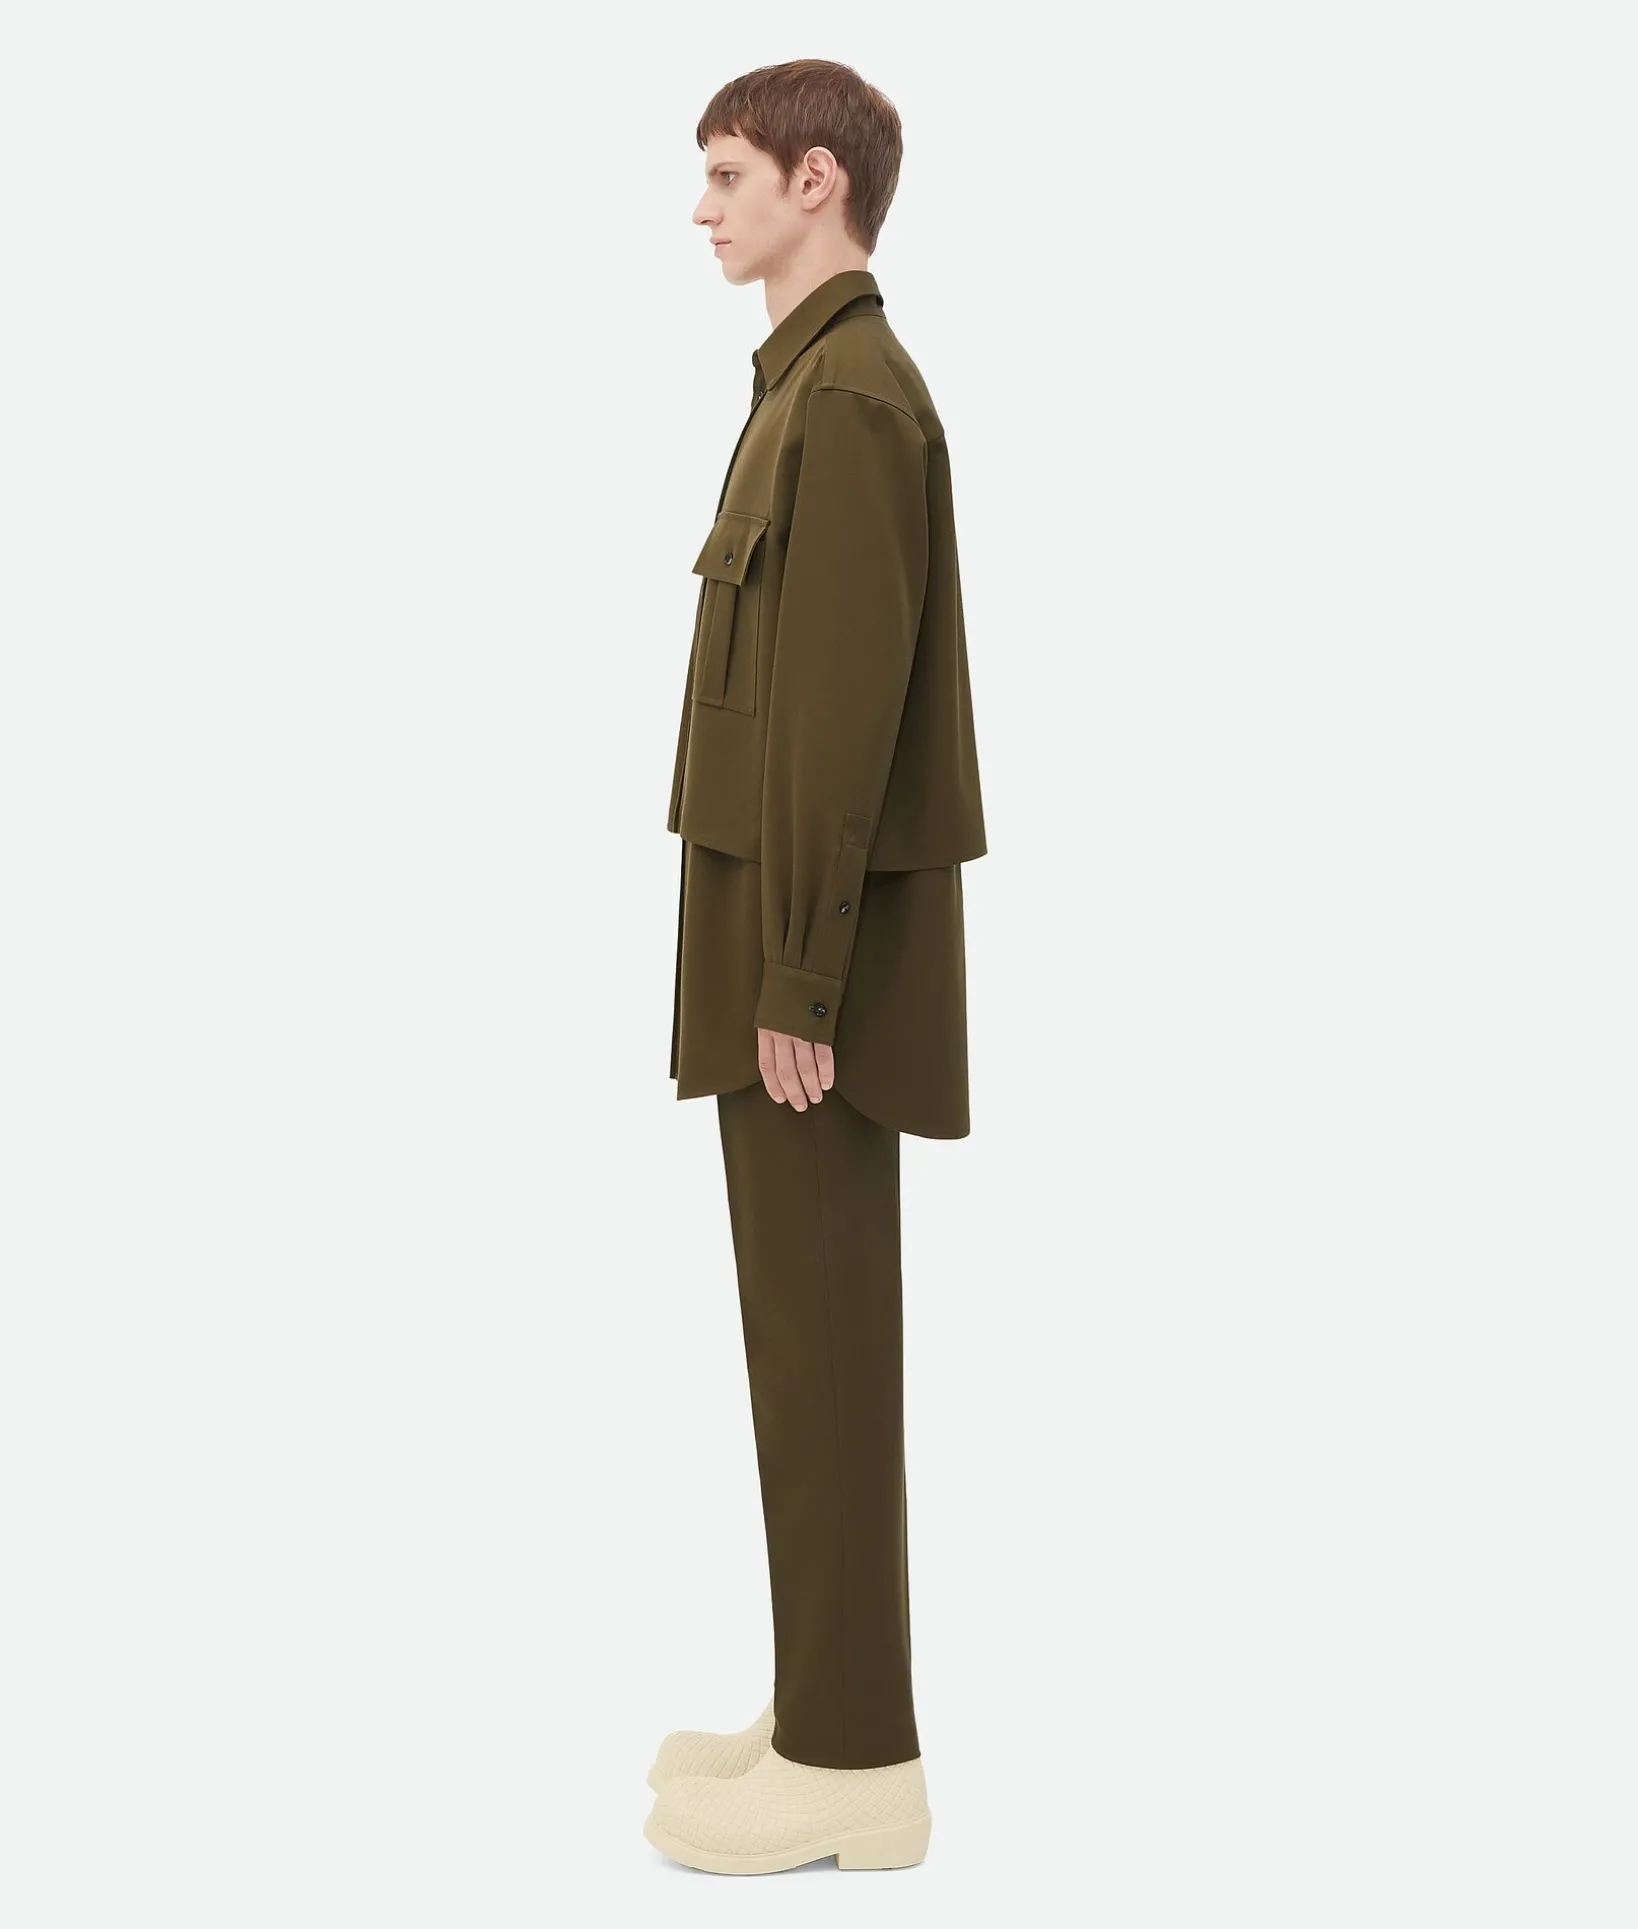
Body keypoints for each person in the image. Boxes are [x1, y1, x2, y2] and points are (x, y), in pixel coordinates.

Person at [646, 58, 988, 1877]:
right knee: (799, 1345)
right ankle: (818, 1704)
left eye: (726, 174)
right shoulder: (804, 387)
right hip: (778, 956)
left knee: (827, 1346)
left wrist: (798, 981)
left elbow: (842, 724)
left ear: (814, 181)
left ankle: (860, 1761)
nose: (701, 206)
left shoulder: (847, 402)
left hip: (809, 982)